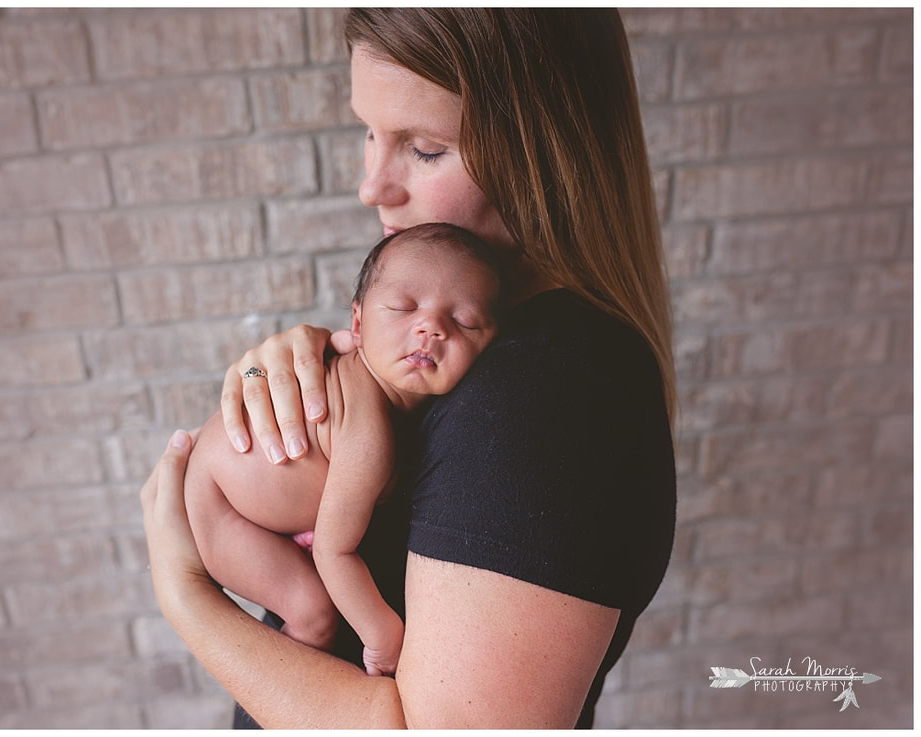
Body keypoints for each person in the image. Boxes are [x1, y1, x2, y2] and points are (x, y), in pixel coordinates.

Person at [141, 8, 676, 728]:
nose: (372, 185)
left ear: (546, 154)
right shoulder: (482, 344)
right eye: (369, 131)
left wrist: (185, 595)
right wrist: (317, 370)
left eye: (424, 148)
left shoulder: (550, 393)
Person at [184, 222, 502, 678]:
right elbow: (334, 552)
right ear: (356, 323)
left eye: (465, 320)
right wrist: (383, 637)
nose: (430, 327)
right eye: (402, 308)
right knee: (313, 614)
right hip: (220, 502)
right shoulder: (369, 429)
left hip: (249, 491)